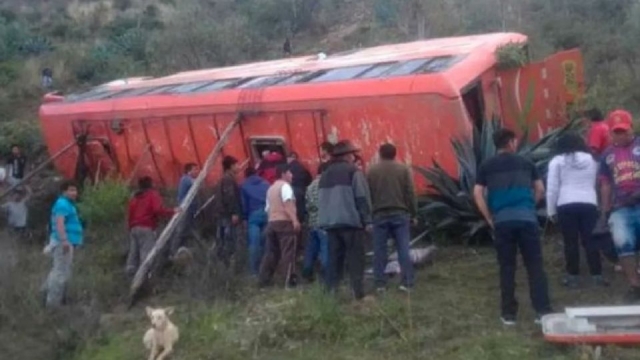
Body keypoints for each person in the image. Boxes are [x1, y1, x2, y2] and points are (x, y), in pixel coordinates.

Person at [473, 129, 552, 325]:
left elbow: (477, 193)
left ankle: (509, 314)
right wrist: (530, 207)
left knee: (507, 267)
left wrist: (489, 217)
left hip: (502, 222)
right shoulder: (526, 163)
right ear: (511, 142)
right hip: (526, 219)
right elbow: (540, 188)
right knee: (534, 266)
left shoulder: (487, 166)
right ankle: (542, 311)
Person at [546, 133, 607, 288]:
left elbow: (552, 188)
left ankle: (573, 276)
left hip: (565, 203)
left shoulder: (557, 161)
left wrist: (550, 210)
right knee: (591, 240)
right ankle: (597, 275)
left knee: (570, 242)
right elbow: (598, 183)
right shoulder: (593, 160)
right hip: (588, 202)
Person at [318, 140, 372, 301]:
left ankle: (331, 293)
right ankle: (358, 293)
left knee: (335, 259)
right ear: (348, 156)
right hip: (350, 221)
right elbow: (361, 197)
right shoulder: (353, 171)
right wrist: (367, 220)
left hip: (330, 224)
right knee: (356, 258)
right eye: (353, 155)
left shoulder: (325, 174)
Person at [599, 110, 640, 302]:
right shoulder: (607, 155)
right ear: (611, 132)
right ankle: (635, 285)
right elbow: (606, 183)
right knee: (623, 243)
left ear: (631, 128)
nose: (621, 135)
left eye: (624, 130)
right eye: (617, 131)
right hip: (620, 207)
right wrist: (605, 210)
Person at [367, 143, 418, 292]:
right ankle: (407, 282)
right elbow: (410, 192)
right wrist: (414, 213)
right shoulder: (403, 169)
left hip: (379, 214)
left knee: (379, 250)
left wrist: (370, 215)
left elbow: (368, 193)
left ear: (380, 154)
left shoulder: (371, 171)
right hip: (400, 213)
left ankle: (380, 284)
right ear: (394, 154)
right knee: (403, 248)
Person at [126, 176, 179, 277]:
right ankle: (143, 277)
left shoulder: (135, 197)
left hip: (134, 228)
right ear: (150, 184)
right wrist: (172, 211)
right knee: (146, 253)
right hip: (146, 227)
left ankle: (130, 274)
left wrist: (130, 227)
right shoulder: (152, 195)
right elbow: (157, 210)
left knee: (133, 253)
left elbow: (130, 213)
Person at [42, 181, 83, 308]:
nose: (74, 193)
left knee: (59, 270)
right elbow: (60, 223)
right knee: (60, 272)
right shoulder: (62, 204)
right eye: (70, 190)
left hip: (66, 242)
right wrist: (65, 240)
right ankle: (53, 304)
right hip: (63, 243)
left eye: (75, 190)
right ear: (64, 192)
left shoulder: (68, 205)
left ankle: (45, 295)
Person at [259, 164, 300, 288]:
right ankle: (289, 281)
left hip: (272, 222)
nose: (292, 175)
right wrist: (295, 220)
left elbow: (267, 209)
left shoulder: (271, 189)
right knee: (288, 252)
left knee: (271, 253)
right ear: (283, 174)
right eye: (290, 173)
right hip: (285, 223)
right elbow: (287, 204)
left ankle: (264, 280)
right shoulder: (285, 186)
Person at [212, 156, 242, 268]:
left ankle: (221, 264)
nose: (238, 167)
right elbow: (230, 197)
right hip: (227, 215)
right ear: (230, 166)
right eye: (236, 165)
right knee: (228, 239)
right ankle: (227, 264)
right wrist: (234, 212)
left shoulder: (223, 179)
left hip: (221, 213)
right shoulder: (228, 179)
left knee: (221, 238)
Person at [301, 165, 329, 282]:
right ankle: (325, 272)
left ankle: (307, 270)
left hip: (312, 222)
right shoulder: (326, 185)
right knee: (325, 248)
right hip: (324, 221)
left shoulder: (310, 186)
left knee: (311, 248)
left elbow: (307, 205)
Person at [241, 167, 270, 276]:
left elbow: (244, 205)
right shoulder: (266, 183)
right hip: (267, 213)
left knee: (254, 243)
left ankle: (254, 271)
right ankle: (266, 269)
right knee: (266, 242)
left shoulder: (244, 186)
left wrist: (244, 218)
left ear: (246, 175)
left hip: (253, 216)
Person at [170, 163, 199, 258]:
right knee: (180, 230)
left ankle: (182, 251)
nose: (197, 171)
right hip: (184, 209)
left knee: (186, 230)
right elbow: (196, 184)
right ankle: (173, 252)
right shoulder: (186, 179)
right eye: (194, 169)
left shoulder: (187, 179)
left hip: (189, 209)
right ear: (188, 171)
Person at [287, 151, 312, 223]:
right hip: (302, 191)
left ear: (289, 158)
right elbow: (309, 180)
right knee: (302, 212)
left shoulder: (287, 169)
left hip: (292, 192)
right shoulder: (302, 167)